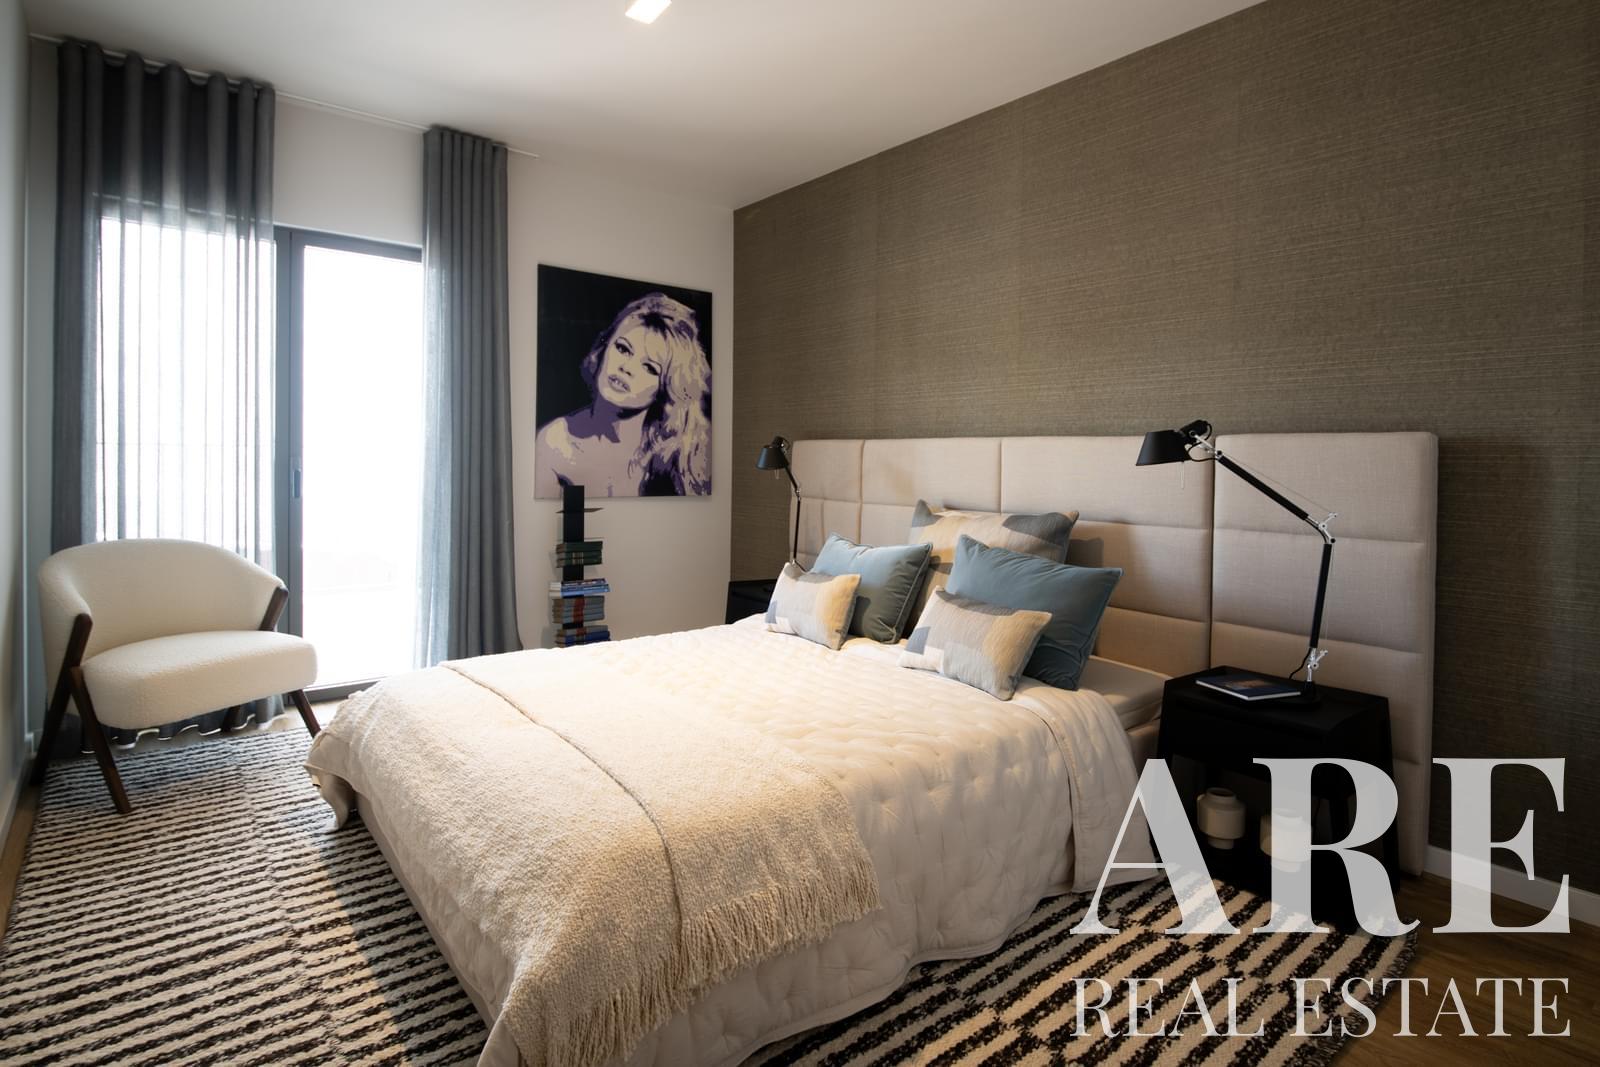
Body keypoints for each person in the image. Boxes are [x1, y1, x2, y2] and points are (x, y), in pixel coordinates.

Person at [535, 292, 711, 497]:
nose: (626, 368)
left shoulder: (684, 453)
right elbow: (562, 516)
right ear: (604, 348)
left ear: (665, 389)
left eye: (650, 368)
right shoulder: (556, 441)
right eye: (623, 349)